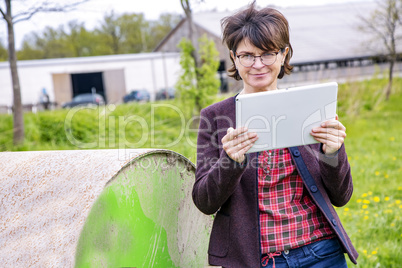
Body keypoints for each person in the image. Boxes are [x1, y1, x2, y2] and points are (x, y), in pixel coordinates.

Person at [192, 2, 358, 268]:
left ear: (284, 54)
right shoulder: (215, 118)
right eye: (247, 55)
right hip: (258, 261)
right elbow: (204, 201)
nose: (257, 64)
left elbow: (342, 196)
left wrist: (333, 153)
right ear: (234, 58)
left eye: (267, 54)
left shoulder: (311, 106)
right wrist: (230, 161)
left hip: (321, 252)